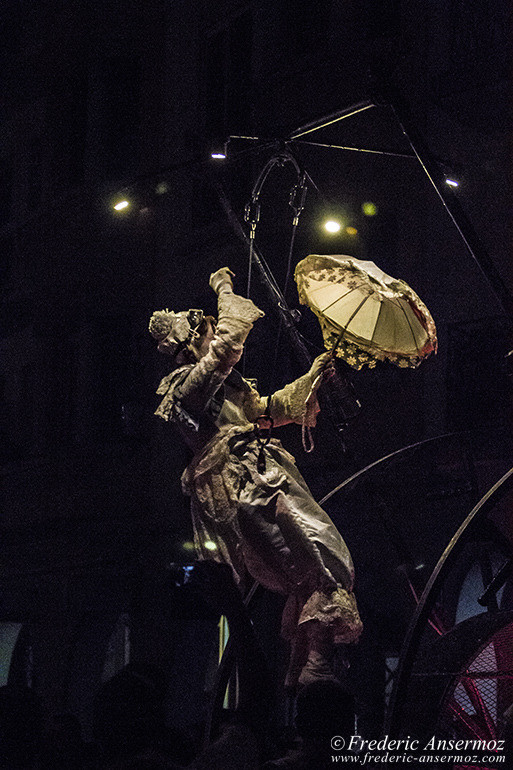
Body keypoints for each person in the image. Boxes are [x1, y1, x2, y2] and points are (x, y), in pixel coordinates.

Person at [149, 268, 362, 687]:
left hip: (259, 473)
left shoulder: (222, 386)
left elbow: (266, 410)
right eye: (207, 333)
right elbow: (226, 349)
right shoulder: (186, 388)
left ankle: (308, 666)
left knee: (310, 555)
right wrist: (223, 288)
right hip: (246, 483)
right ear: (193, 343)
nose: (214, 337)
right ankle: (312, 665)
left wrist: (314, 374)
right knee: (315, 546)